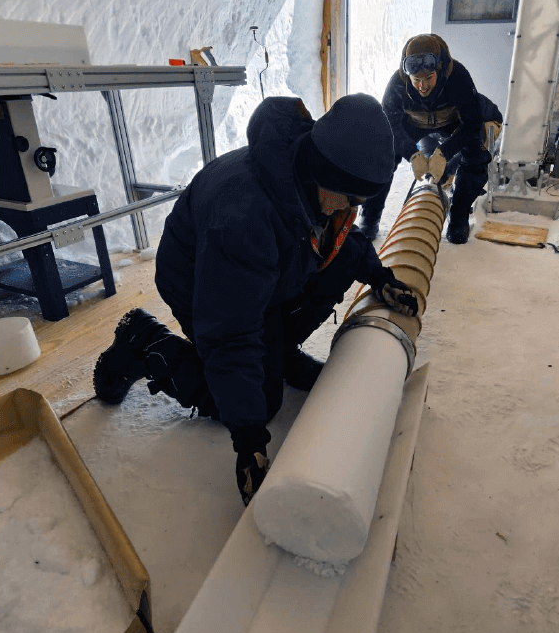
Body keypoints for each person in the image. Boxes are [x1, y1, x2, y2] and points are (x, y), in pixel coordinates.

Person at [91, 95, 422, 504]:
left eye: (357, 202)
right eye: (347, 197)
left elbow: (339, 239)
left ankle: (277, 354)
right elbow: (230, 332)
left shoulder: (315, 175)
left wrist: (379, 276)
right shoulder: (244, 214)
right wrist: (248, 437)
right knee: (261, 400)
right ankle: (145, 343)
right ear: (320, 171)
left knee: (341, 263)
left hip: (262, 273)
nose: (348, 209)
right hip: (204, 284)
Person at [362, 33, 489, 244]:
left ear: (439, 70)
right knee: (381, 153)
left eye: (428, 78)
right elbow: (387, 126)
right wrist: (411, 153)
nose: (422, 86)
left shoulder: (458, 77)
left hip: (450, 124)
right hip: (413, 125)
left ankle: (458, 218)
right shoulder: (397, 83)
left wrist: (444, 152)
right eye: (416, 80)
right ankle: (369, 216)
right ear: (407, 76)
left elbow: (473, 124)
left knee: (476, 154)